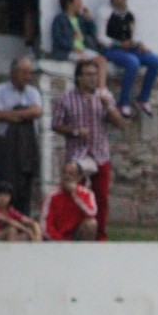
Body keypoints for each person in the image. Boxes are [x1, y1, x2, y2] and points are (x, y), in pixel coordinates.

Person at [51, 59, 124, 241]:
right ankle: (75, 233)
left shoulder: (104, 96)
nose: (93, 79)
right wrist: (75, 131)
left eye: (95, 75)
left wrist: (108, 107)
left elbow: (118, 123)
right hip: (78, 155)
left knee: (101, 198)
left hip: (100, 153)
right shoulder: (66, 99)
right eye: (89, 75)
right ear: (79, 78)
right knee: (75, 194)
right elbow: (56, 124)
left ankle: (100, 236)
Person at [0, 57, 42, 217]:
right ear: (13, 73)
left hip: (27, 146)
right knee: (4, 186)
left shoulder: (33, 92)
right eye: (23, 72)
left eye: (29, 73)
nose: (27, 76)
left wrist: (12, 114)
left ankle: (22, 221)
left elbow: (37, 112)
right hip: (6, 147)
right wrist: (25, 113)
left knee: (25, 187)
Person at [98, 0, 158, 119]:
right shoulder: (104, 12)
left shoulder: (132, 11)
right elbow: (100, 37)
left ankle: (143, 98)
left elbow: (136, 33)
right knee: (133, 62)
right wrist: (118, 44)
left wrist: (139, 43)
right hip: (112, 49)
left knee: (155, 60)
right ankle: (123, 102)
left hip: (130, 48)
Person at [50, 0, 109, 92]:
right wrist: (72, 46)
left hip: (82, 50)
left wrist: (89, 20)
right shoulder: (60, 19)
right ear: (69, 3)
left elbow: (93, 33)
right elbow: (58, 38)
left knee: (102, 60)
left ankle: (101, 90)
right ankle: (84, 90)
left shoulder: (80, 18)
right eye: (78, 0)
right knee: (84, 64)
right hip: (68, 51)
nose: (81, 3)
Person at [41, 161, 99, 241]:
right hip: (56, 240)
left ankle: (85, 251)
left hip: (76, 236)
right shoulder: (52, 195)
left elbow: (91, 212)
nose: (67, 177)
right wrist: (60, 241)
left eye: (71, 174)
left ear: (79, 177)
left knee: (91, 223)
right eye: (64, 173)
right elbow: (45, 225)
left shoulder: (87, 194)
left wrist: (75, 194)